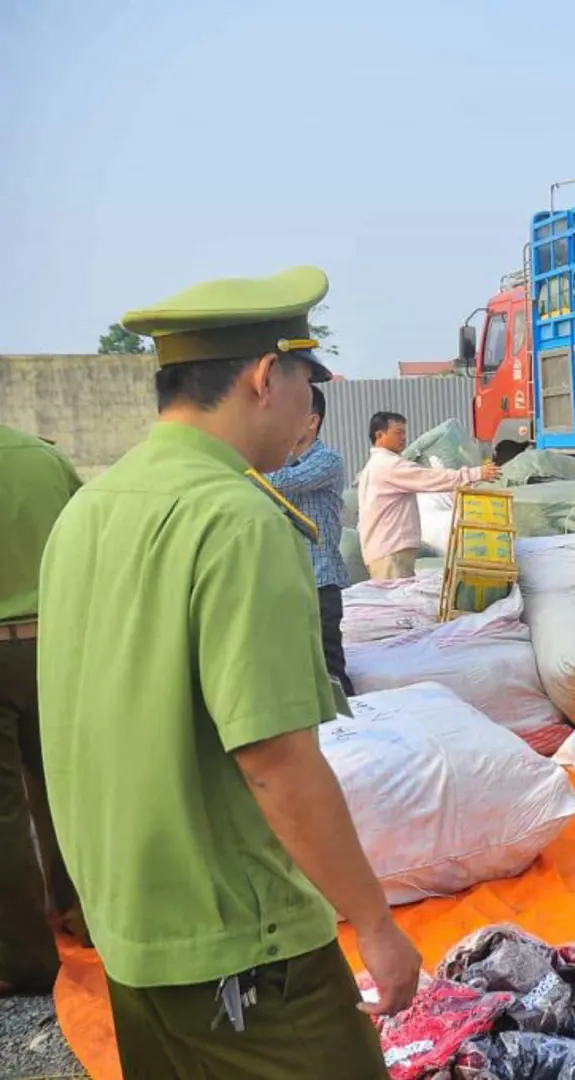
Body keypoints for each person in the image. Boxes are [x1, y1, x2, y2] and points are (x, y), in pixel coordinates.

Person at [37, 266, 419, 1077]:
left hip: (133, 931)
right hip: (244, 949)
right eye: (305, 385)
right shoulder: (239, 519)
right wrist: (376, 926)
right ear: (262, 377)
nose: (308, 410)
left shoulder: (89, 510)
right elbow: (275, 761)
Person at [0, 424, 82, 996]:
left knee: (5, 815)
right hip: (56, 641)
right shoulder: (42, 458)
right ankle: (90, 917)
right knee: (67, 786)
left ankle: (28, 959)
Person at [266, 386, 353, 695]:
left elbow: (278, 485)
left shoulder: (327, 460)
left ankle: (355, 734)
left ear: (311, 421)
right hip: (290, 584)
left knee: (330, 672)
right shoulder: (283, 463)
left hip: (319, 584)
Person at [357, 411, 496, 581]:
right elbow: (430, 479)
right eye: (398, 433)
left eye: (404, 433)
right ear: (380, 435)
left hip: (384, 550)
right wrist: (474, 474)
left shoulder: (374, 466)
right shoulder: (389, 466)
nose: (403, 438)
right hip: (391, 552)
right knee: (397, 602)